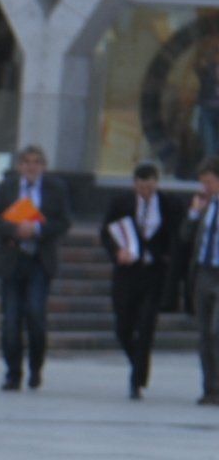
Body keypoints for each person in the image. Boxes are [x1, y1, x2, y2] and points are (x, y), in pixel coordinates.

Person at [0, 144, 72, 391]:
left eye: (36, 162)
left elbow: (64, 222)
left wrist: (38, 229)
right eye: (26, 162)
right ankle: (13, 373)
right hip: (13, 259)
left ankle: (35, 367)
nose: (31, 167)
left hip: (39, 260)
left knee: (35, 313)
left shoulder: (55, 188)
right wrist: (14, 229)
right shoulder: (7, 187)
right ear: (19, 166)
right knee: (11, 319)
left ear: (43, 166)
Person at [101, 161, 184, 400]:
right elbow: (106, 231)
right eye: (141, 187)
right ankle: (137, 362)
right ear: (134, 185)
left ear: (156, 184)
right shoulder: (121, 203)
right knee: (123, 327)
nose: (145, 192)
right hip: (128, 272)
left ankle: (136, 381)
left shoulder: (170, 204)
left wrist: (169, 259)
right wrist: (117, 252)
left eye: (150, 187)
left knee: (146, 326)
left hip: (155, 273)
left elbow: (177, 236)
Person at [180, 156, 219, 404]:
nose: (205, 188)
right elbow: (185, 237)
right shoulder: (205, 206)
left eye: (209, 182)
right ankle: (210, 388)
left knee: (217, 331)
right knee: (204, 333)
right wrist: (193, 214)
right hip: (204, 271)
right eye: (203, 183)